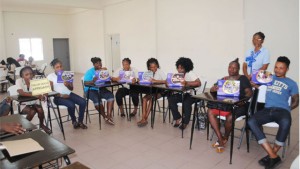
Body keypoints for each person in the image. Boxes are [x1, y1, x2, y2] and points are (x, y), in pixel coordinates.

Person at [247, 56, 299, 169]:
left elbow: (296, 101)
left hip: (282, 110)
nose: (277, 70)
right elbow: (256, 84)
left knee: (286, 122)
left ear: (287, 69)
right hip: (267, 109)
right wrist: (253, 83)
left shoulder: (292, 83)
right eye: (276, 67)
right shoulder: (269, 77)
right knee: (251, 121)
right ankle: (273, 155)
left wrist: (286, 110)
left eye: (281, 68)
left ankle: (271, 156)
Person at [207, 58, 253, 153]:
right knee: (210, 112)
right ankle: (220, 139)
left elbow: (249, 93)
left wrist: (243, 101)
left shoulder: (243, 79)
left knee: (230, 118)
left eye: (234, 68)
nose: (231, 70)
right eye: (230, 67)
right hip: (225, 105)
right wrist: (214, 88)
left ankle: (225, 138)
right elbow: (211, 90)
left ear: (238, 69)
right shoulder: (224, 79)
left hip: (239, 105)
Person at [47, 59, 87, 129]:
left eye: (61, 66)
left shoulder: (66, 74)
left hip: (68, 94)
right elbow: (49, 92)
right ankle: (74, 121)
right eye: (57, 67)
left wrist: (67, 85)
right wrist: (61, 95)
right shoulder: (50, 77)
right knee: (71, 104)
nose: (60, 68)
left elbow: (71, 89)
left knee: (83, 102)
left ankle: (80, 121)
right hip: (57, 97)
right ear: (54, 68)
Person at [168, 57, 201, 130]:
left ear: (186, 68)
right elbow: (171, 82)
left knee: (186, 102)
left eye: (181, 68)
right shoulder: (178, 74)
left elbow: (198, 83)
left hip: (193, 95)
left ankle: (185, 122)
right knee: (171, 99)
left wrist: (187, 83)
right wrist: (169, 82)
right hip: (182, 93)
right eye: (178, 68)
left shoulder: (190, 73)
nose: (179, 70)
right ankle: (178, 118)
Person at [16, 66, 51, 134]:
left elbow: (45, 91)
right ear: (22, 76)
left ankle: (41, 124)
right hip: (23, 104)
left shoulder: (35, 80)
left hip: (34, 102)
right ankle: (24, 127)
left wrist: (44, 95)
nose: (29, 76)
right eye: (26, 74)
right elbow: (21, 92)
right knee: (32, 111)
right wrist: (35, 95)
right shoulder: (19, 81)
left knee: (40, 109)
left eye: (31, 74)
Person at [84, 57, 115, 125]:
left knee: (111, 96)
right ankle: (105, 117)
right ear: (94, 64)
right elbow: (85, 83)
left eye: (100, 62)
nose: (99, 64)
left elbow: (108, 80)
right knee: (97, 100)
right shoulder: (89, 72)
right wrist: (93, 81)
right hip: (91, 90)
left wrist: (107, 76)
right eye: (97, 63)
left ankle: (109, 116)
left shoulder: (103, 70)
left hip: (101, 88)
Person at [137, 58, 166, 127]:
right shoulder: (148, 72)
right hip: (152, 91)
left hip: (160, 91)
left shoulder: (160, 71)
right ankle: (143, 118)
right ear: (149, 67)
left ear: (157, 65)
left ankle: (145, 118)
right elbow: (145, 80)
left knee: (151, 99)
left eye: (155, 66)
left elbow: (166, 81)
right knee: (144, 98)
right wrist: (140, 79)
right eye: (151, 67)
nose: (153, 68)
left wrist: (156, 81)